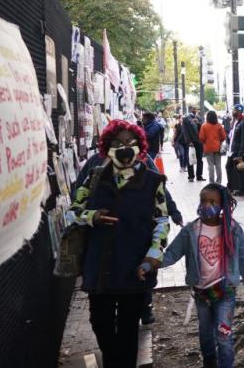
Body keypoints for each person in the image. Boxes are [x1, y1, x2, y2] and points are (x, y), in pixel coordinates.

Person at [65, 120, 170, 368]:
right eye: (117, 143)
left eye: (130, 143)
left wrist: (153, 254)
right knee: (99, 322)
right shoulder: (94, 178)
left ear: (140, 147)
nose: (124, 148)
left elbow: (162, 219)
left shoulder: (154, 181)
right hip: (99, 268)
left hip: (134, 268)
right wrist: (92, 216)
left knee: (127, 328)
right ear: (107, 147)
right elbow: (71, 213)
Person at [141, 183, 244, 368]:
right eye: (203, 201)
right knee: (205, 335)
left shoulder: (233, 230)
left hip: (225, 292)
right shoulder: (191, 230)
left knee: (224, 336)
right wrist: (150, 263)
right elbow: (172, 253)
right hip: (201, 293)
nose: (207, 205)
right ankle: (209, 363)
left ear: (223, 205)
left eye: (213, 201)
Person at [225, 104, 244, 196]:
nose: (232, 112)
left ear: (238, 112)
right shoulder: (235, 122)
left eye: (234, 110)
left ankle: (241, 189)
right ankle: (233, 187)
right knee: (230, 168)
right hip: (232, 150)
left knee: (239, 169)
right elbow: (231, 137)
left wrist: (240, 155)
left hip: (237, 152)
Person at [199, 111, 227, 184]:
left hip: (208, 148)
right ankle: (219, 181)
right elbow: (224, 136)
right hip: (217, 147)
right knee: (218, 165)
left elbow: (201, 138)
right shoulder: (219, 125)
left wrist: (206, 142)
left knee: (210, 165)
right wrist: (219, 141)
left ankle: (211, 182)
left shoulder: (204, 126)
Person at [182, 106, 205, 182]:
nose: (195, 110)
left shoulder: (199, 118)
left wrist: (198, 123)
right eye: (194, 109)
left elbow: (203, 128)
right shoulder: (186, 119)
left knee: (200, 159)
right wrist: (189, 141)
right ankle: (191, 176)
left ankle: (199, 176)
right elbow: (185, 131)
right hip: (191, 141)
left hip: (199, 141)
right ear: (191, 109)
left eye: (196, 109)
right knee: (190, 159)